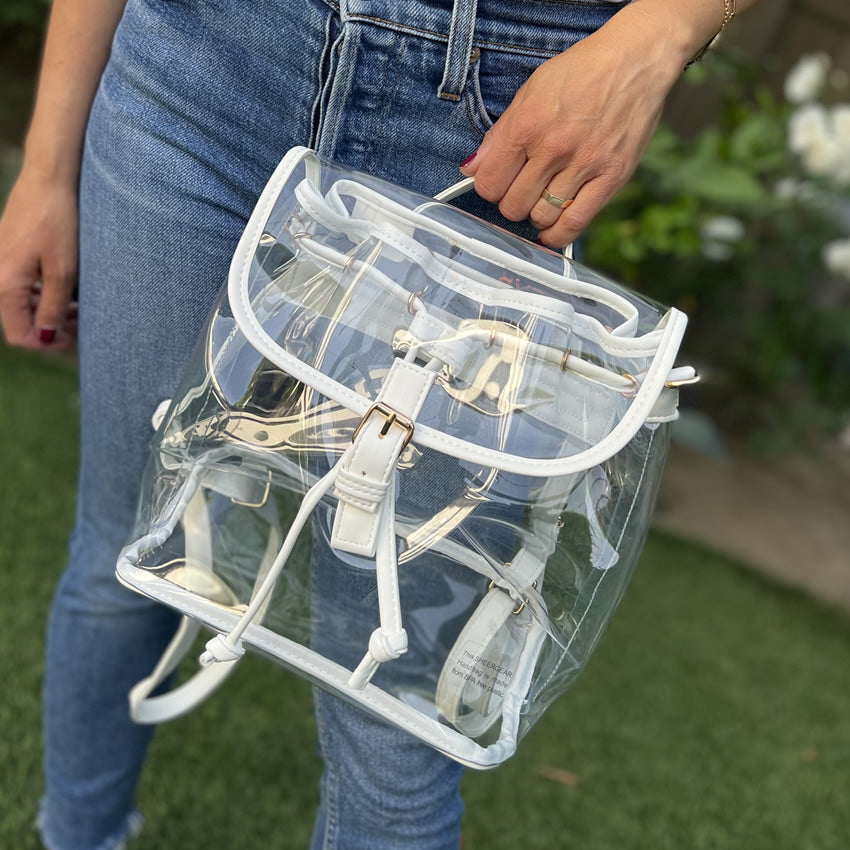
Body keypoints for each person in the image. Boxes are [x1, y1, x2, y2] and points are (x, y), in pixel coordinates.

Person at [0, 0, 760, 848]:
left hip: (498, 117)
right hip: (198, 69)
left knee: (396, 726)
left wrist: (659, 34)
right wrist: (45, 168)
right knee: (125, 550)